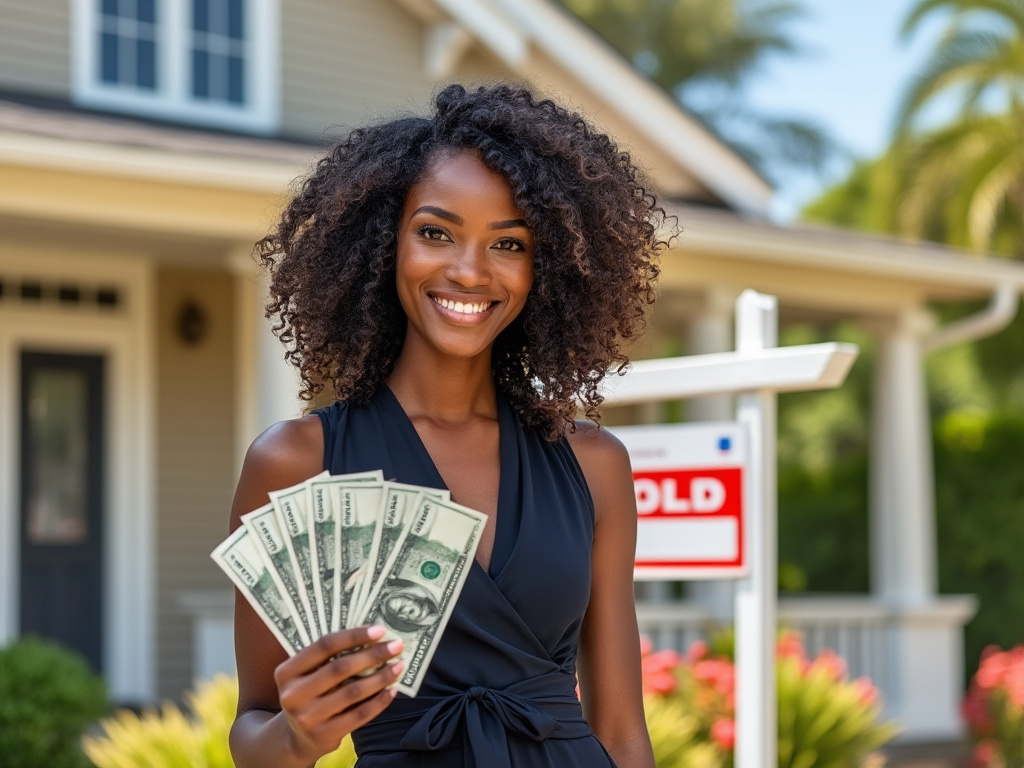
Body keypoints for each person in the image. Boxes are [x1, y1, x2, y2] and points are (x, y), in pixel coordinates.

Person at [228, 83, 669, 768]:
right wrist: (296, 736)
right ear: (385, 243)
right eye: (436, 233)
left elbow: (621, 731)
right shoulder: (297, 462)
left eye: (509, 244)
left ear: (546, 267)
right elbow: (251, 731)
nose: (469, 272)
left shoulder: (593, 464)